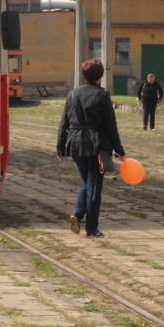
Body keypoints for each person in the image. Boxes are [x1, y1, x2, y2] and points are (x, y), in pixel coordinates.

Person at [57, 58, 126, 238]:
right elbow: (111, 126)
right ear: (100, 75)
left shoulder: (72, 94)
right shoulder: (102, 96)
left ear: (83, 74)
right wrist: (120, 151)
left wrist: (60, 147)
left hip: (74, 144)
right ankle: (92, 228)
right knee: (94, 188)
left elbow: (63, 122)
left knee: (87, 182)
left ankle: (78, 214)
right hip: (95, 146)